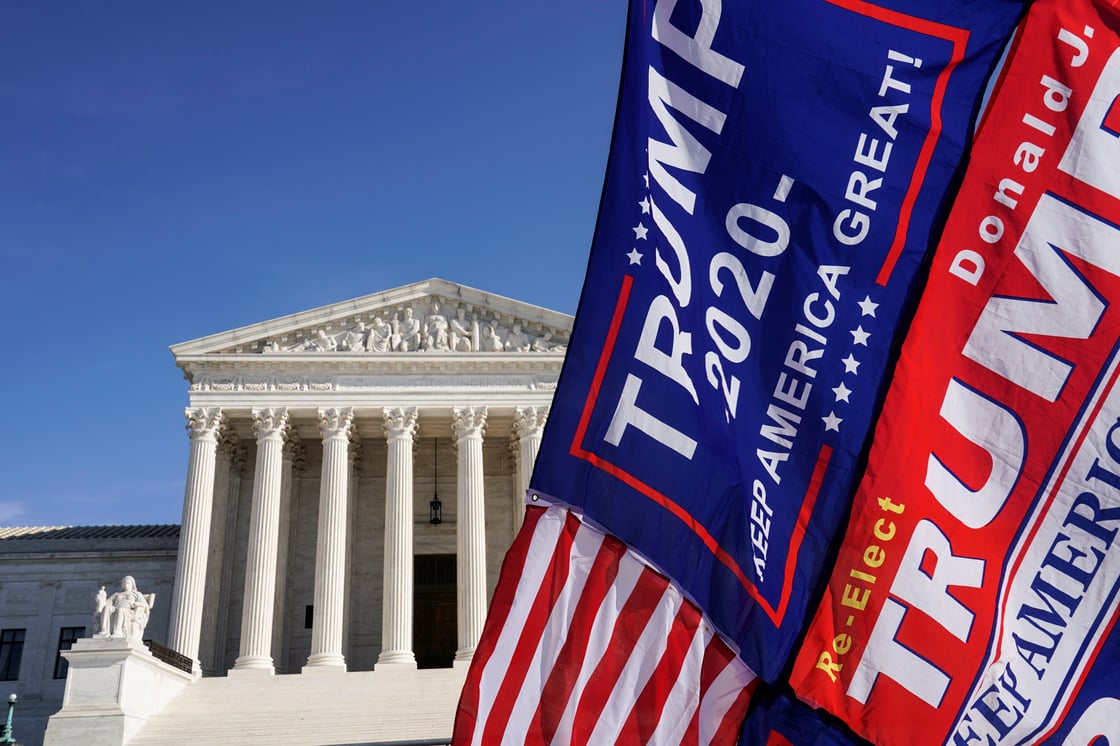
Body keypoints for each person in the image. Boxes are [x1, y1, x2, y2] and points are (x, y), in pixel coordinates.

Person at [96, 576, 153, 643]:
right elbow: (107, 602)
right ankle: (104, 630)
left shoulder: (137, 594)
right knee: (106, 608)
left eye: (128, 583)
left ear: (132, 585)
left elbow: (145, 605)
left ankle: (118, 632)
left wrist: (136, 604)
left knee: (121, 610)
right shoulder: (117, 594)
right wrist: (101, 599)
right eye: (124, 583)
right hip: (115, 608)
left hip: (129, 610)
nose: (126, 584)